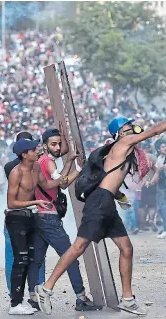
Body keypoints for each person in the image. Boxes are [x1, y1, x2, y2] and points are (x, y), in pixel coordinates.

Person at [35, 111, 166, 316]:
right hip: (100, 202)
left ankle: (128, 299)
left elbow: (111, 180)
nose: (133, 129)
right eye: (128, 127)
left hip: (107, 202)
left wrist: (120, 196)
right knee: (79, 247)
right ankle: (46, 288)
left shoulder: (122, 149)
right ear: (121, 132)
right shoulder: (123, 143)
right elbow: (154, 131)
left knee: (126, 248)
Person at [27, 127, 99, 312]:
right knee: (70, 257)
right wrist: (81, 169)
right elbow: (63, 182)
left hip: (39, 215)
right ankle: (80, 297)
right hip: (49, 218)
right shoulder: (48, 161)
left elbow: (61, 180)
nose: (58, 147)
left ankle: (33, 297)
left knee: (37, 259)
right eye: (54, 144)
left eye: (59, 143)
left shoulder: (41, 161)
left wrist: (70, 163)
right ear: (45, 145)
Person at [5, 138, 63, 315]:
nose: (37, 150)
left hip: (30, 217)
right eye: (33, 149)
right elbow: (11, 203)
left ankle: (22, 301)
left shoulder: (36, 167)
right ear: (24, 154)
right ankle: (15, 304)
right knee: (20, 260)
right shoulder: (16, 173)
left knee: (29, 259)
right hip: (16, 218)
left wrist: (69, 173)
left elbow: (47, 184)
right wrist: (37, 201)